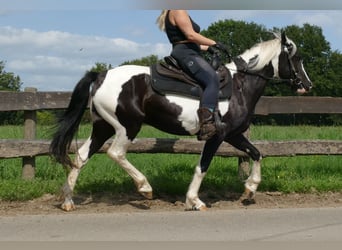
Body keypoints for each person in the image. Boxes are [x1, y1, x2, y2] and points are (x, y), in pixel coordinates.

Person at [156, 10, 227, 141]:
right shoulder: (177, 9)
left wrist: (209, 48)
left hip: (189, 51)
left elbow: (188, 41)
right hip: (186, 54)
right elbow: (190, 35)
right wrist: (214, 42)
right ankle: (207, 124)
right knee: (212, 79)